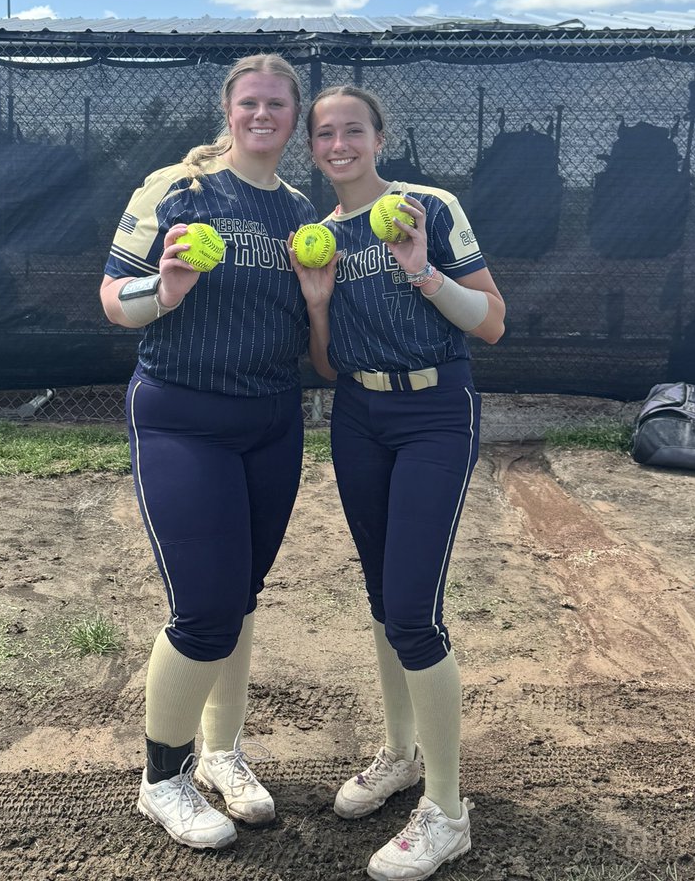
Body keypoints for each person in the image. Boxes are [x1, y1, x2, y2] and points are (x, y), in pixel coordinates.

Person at [99, 53, 317, 851]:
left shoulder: (299, 210)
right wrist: (163, 290)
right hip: (182, 418)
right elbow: (112, 299)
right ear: (228, 111)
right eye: (249, 102)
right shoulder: (178, 190)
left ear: (294, 118)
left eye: (277, 104)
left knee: (243, 595)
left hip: (272, 420)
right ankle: (162, 779)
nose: (262, 115)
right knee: (205, 609)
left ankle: (223, 753)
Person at [291, 85, 506, 881]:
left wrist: (422, 272)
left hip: (434, 414)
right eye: (324, 134)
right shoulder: (321, 236)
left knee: (414, 613)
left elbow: (492, 321)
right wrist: (319, 305)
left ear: (380, 137)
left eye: (353, 130)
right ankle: (400, 753)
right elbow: (328, 366)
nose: (339, 144)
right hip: (359, 416)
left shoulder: (428, 208)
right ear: (313, 149)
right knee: (384, 601)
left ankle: (448, 812)